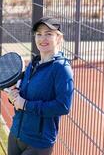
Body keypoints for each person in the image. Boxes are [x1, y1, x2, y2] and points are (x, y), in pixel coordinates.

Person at [7, 17, 74, 155]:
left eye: (48, 34)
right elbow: (23, 94)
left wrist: (26, 105)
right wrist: (13, 96)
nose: (43, 38)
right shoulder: (34, 63)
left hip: (38, 144)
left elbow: (63, 106)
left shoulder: (62, 68)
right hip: (15, 135)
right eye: (39, 34)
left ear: (58, 38)